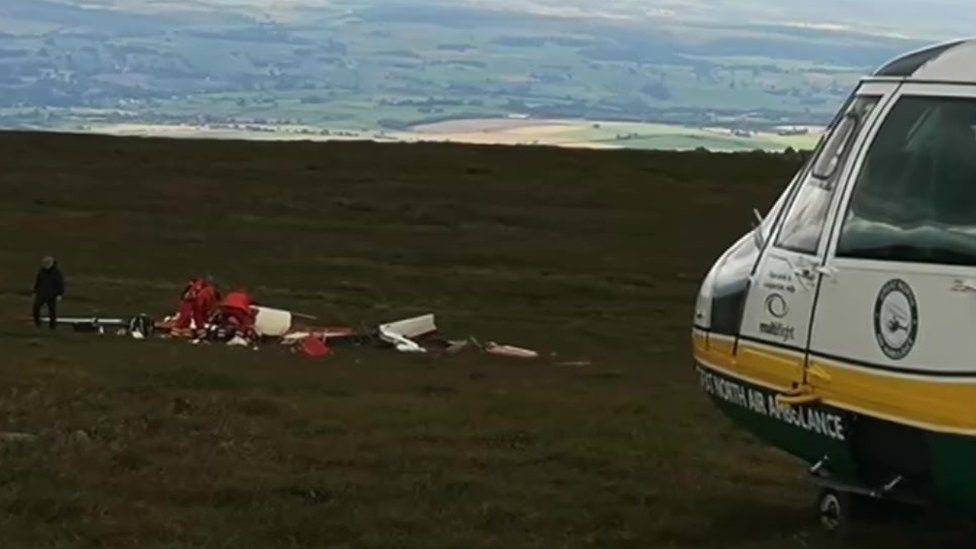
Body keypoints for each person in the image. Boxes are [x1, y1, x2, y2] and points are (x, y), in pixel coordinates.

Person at [32, 256, 65, 329]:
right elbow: (38, 281)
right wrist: (35, 290)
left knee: (52, 312)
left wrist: (60, 294)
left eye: (47, 264)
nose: (46, 265)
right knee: (36, 308)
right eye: (45, 264)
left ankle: (52, 326)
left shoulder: (57, 272)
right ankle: (37, 323)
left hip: (52, 295)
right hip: (41, 293)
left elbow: (60, 283)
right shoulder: (41, 271)